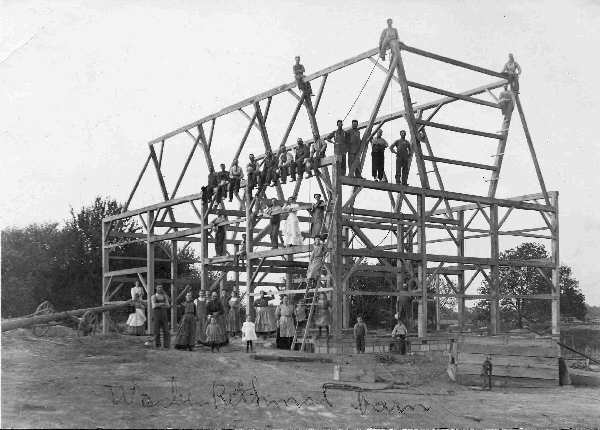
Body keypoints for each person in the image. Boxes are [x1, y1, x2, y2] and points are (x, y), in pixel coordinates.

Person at [151, 284, 170, 349]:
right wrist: (162, 304)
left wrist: (158, 304)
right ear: (156, 288)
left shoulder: (165, 296)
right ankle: (157, 345)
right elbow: (153, 306)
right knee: (156, 331)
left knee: (166, 330)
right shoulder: (153, 296)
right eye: (159, 287)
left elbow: (168, 305)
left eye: (161, 287)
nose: (160, 289)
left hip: (164, 314)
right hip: (156, 315)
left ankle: (166, 345)